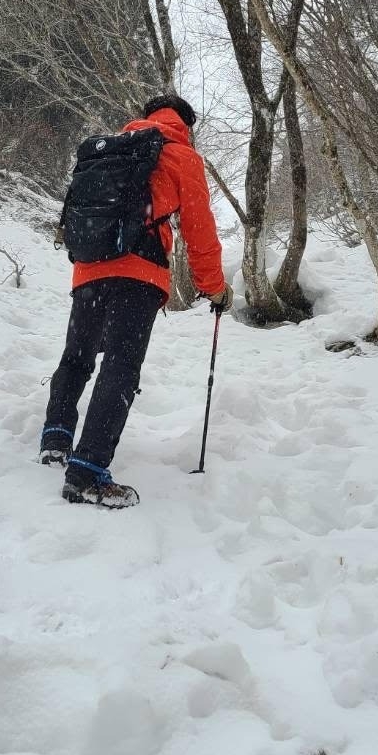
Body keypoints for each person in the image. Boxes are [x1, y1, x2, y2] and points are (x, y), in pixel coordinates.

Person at [40, 94, 232, 507]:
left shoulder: (110, 150)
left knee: (77, 355)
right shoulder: (182, 157)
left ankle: (56, 437)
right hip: (138, 274)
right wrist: (213, 287)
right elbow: (199, 230)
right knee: (121, 366)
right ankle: (87, 473)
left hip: (89, 269)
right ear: (186, 125)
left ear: (145, 117)